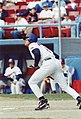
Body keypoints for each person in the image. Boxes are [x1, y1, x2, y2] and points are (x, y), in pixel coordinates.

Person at [23, 33, 81, 110]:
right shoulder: (41, 46)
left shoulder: (32, 45)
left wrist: (36, 65)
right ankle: (78, 98)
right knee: (65, 86)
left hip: (48, 63)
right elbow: (56, 56)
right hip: (56, 62)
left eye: (26, 39)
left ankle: (42, 101)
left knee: (32, 82)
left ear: (30, 39)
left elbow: (37, 53)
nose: (24, 40)